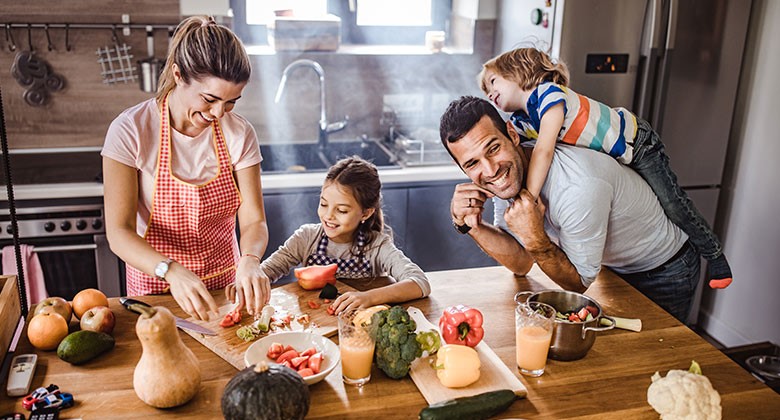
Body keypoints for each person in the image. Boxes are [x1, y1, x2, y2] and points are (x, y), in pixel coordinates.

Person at [478, 48, 732, 289]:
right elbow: (512, 154)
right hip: (618, 167)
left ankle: (714, 254)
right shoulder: (522, 122)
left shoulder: (550, 94)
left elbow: (543, 150)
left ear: (517, 70)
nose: (489, 93)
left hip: (637, 142)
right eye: (485, 91)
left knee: (672, 203)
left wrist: (528, 199)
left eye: (492, 82)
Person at [440, 96, 701, 322]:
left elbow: (579, 283)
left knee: (657, 358)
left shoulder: (578, 185)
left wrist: (535, 238)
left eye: (493, 148)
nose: (490, 169)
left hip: (665, 269)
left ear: (512, 134)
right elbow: (520, 263)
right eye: (472, 163)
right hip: (613, 267)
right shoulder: (506, 177)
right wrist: (470, 225)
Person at [102, 16, 269, 321]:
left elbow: (254, 220)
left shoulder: (239, 133)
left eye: (231, 102)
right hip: (155, 286)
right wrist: (171, 271)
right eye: (210, 99)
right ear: (178, 75)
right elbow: (119, 231)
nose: (218, 113)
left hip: (224, 286)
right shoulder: (132, 130)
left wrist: (250, 259)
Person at [239, 156, 430, 315]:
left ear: (365, 213)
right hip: (314, 325)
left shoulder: (377, 246)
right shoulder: (306, 238)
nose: (328, 216)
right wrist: (250, 279)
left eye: (342, 210)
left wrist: (369, 297)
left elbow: (420, 283)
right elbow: (267, 271)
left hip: (356, 331)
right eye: (323, 204)